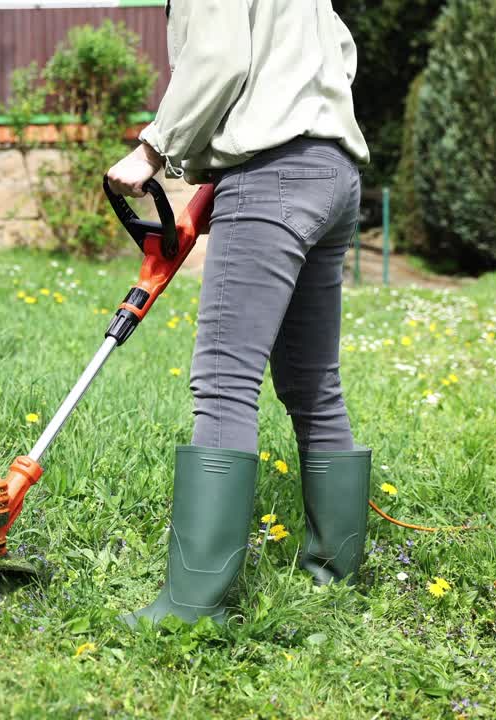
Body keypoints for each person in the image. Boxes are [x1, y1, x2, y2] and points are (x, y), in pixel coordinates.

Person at [105, 0, 373, 626]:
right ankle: (332, 580)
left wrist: (152, 150)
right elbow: (343, 52)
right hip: (334, 171)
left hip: (273, 172)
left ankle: (192, 605)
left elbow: (219, 58)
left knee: (225, 384)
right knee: (313, 384)